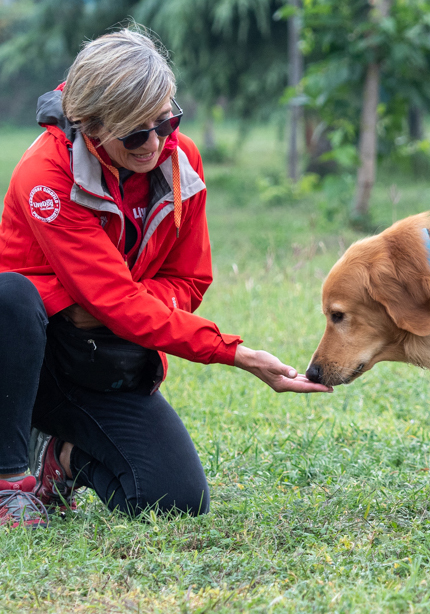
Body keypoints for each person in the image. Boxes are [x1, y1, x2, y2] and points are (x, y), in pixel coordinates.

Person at [0, 29, 331, 529]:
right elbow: (113, 300)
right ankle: (6, 483)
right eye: (134, 133)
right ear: (89, 125)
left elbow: (190, 279)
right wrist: (231, 351)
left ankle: (59, 459)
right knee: (12, 298)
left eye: (165, 121)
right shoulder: (45, 178)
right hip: (26, 357)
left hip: (105, 354)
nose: (154, 143)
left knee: (174, 499)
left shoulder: (180, 161)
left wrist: (124, 305)